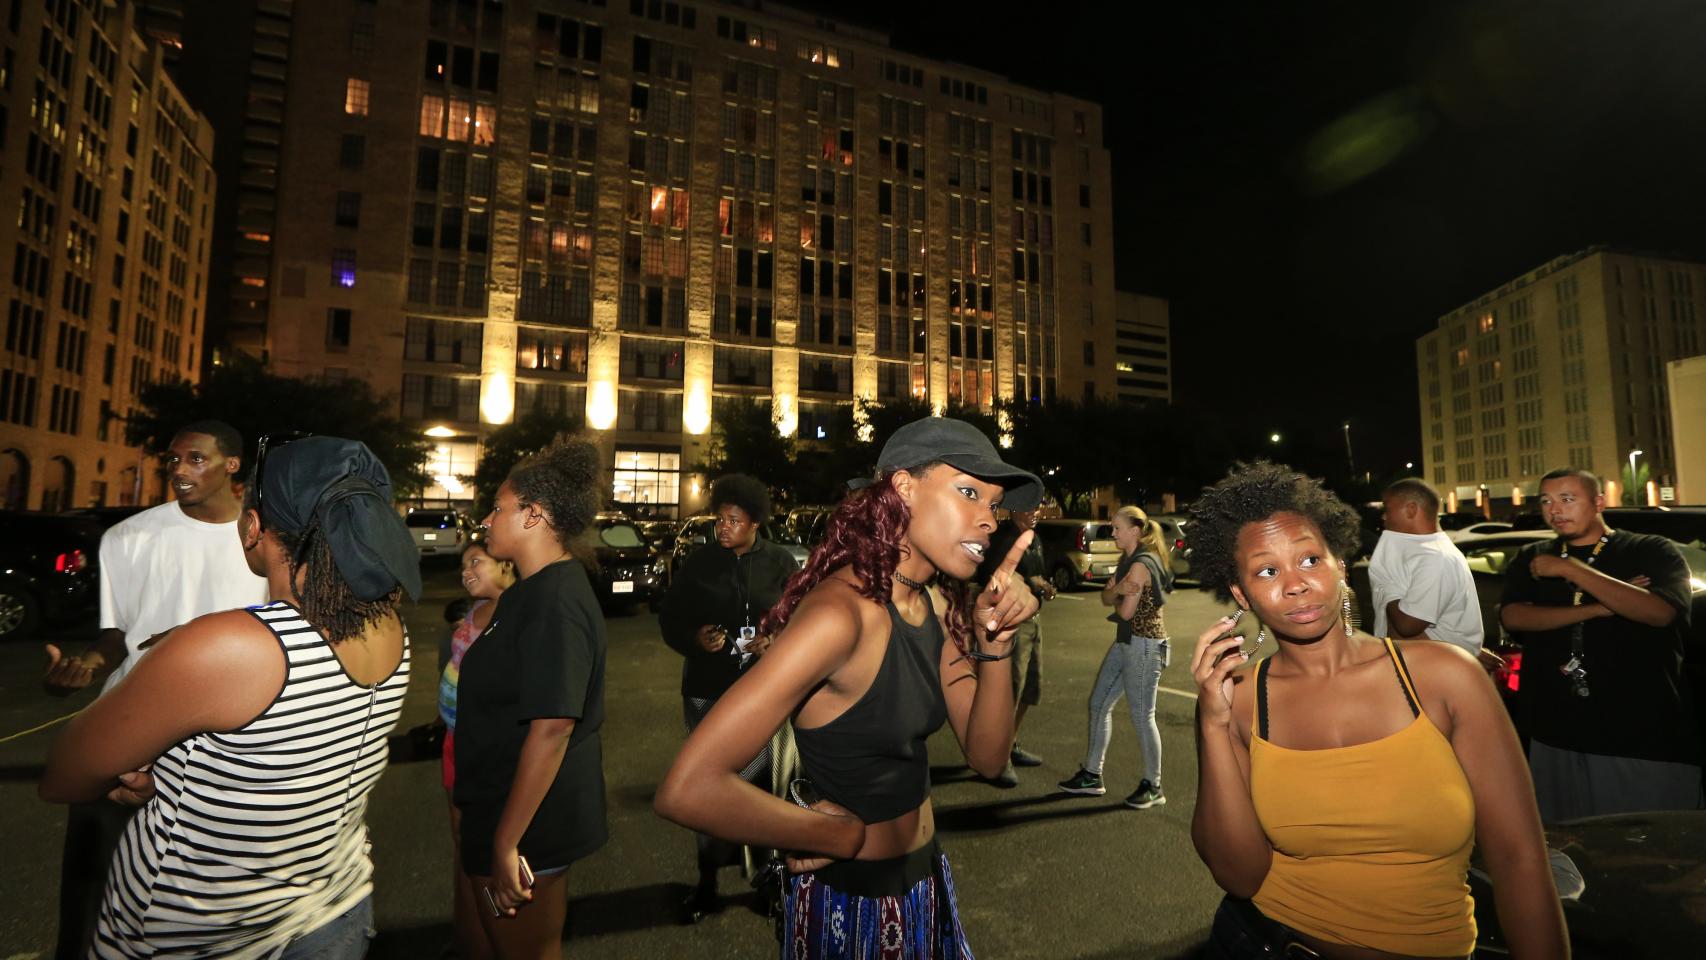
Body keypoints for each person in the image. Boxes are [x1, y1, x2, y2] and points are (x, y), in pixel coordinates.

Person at [654, 417, 1042, 959]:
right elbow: (688, 787)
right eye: (969, 492)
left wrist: (994, 639)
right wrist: (828, 835)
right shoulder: (839, 616)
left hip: (925, 884)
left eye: (995, 506)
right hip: (852, 906)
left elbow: (987, 755)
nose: (988, 521)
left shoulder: (933, 603)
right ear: (904, 489)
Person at [40, 435, 420, 959]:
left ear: (253, 527)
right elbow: (281, 754)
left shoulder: (231, 646)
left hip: (201, 934)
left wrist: (154, 716)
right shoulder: (389, 625)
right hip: (336, 908)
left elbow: (65, 775)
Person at [1188, 461, 1566, 959]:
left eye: (1309, 561)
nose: (1295, 585)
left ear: (1340, 566)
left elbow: (1520, 859)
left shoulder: (1446, 677)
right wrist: (1213, 725)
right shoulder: (1234, 700)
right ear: (1240, 593)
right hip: (1261, 942)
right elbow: (1238, 874)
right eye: (1266, 571)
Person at [40, 420, 270, 959]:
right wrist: (86, 666)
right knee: (91, 893)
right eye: (172, 460)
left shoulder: (262, 542)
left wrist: (198, 639)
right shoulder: (129, 537)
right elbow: (117, 636)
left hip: (226, 744)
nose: (178, 471)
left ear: (231, 465)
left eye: (195, 459)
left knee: (208, 908)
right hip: (130, 732)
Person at [457, 437, 608, 960]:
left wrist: (505, 843)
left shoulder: (557, 602)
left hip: (528, 828)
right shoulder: (527, 593)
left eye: (498, 509)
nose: (487, 521)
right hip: (501, 807)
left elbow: (552, 728)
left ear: (534, 516)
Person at [1499, 467, 1701, 822]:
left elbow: (1659, 612)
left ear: (1598, 502)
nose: (1555, 510)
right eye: (1546, 501)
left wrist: (1572, 571)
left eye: (1567, 499)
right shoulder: (1533, 556)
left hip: (1638, 732)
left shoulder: (1649, 549)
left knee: (1647, 848)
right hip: (1554, 730)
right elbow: (1515, 617)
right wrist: (1599, 607)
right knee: (1569, 847)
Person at [659, 473, 801, 921]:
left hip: (762, 691)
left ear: (755, 522)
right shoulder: (700, 563)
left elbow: (804, 614)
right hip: (707, 690)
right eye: (720, 519)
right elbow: (669, 618)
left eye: (733, 520)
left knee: (761, 787)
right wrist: (694, 638)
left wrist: (777, 638)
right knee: (707, 784)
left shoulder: (781, 563)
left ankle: (767, 880)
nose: (723, 528)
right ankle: (707, 884)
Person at [1058, 505, 1173, 809]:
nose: (1113, 532)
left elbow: (1123, 609)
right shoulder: (1128, 560)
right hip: (1127, 641)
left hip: (1144, 645)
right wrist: (1117, 590)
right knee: (1098, 703)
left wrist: (1116, 591)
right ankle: (1092, 775)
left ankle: (1153, 784)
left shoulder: (1141, 564)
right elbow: (1106, 596)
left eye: (1117, 527)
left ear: (1135, 530)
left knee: (1142, 715)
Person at [440, 543, 517, 960]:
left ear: (506, 565)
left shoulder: (513, 617)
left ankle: (494, 937)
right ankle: (471, 935)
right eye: (461, 564)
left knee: (486, 849)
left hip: (483, 751)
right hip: (454, 744)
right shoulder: (472, 615)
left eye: (475, 562)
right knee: (462, 842)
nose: (465, 571)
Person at [972, 507, 1056, 787]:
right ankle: (999, 756)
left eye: (1039, 507)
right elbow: (988, 576)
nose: (1035, 512)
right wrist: (1027, 582)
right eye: (1029, 508)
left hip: (1035, 617)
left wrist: (1044, 586)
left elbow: (1038, 573)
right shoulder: (1004, 538)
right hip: (1011, 621)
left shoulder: (1036, 539)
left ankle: (1011, 743)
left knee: (1031, 688)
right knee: (1011, 688)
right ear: (1015, 509)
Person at [1367, 478, 1485, 656]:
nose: (1383, 516)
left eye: (1387, 508)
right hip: (1433, 665)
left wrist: (1385, 585)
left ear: (1411, 510)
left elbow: (1407, 626)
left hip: (1435, 673)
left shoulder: (1435, 558)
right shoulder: (1428, 552)